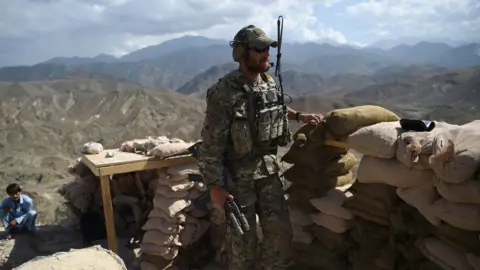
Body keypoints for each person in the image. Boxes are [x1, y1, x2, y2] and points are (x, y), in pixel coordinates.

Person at [197, 24, 323, 270]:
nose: (266, 53)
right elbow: (211, 144)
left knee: (280, 237)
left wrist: (300, 117)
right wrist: (215, 187)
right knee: (243, 243)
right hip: (237, 179)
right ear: (241, 53)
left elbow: (273, 109)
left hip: (268, 172)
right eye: (259, 48)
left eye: (268, 48)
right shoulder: (224, 92)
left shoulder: (268, 82)